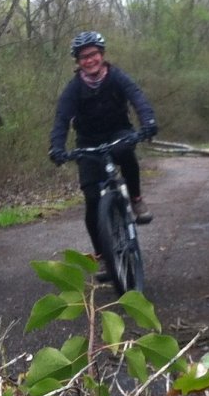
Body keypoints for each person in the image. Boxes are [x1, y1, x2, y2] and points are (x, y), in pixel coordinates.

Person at [49, 31, 158, 275]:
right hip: (88, 140)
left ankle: (137, 200)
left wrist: (148, 122)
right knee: (91, 201)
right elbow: (61, 119)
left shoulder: (117, 77)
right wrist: (56, 147)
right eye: (83, 57)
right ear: (78, 62)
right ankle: (102, 256)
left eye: (93, 54)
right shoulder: (73, 88)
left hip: (118, 131)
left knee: (126, 153)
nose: (90, 60)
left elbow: (137, 97)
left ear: (102, 54)